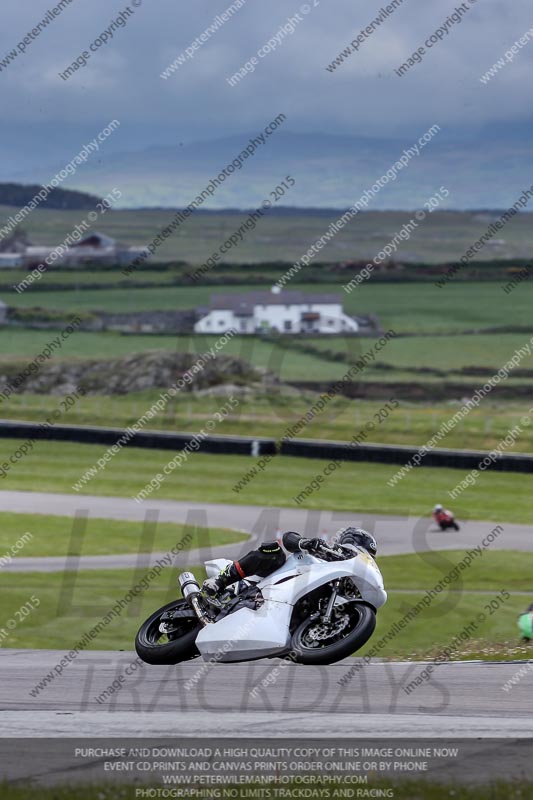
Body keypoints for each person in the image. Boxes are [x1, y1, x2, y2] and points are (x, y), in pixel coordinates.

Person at [202, 527, 378, 599]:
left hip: (291, 602)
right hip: (271, 581)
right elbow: (288, 537)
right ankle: (221, 580)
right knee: (274, 552)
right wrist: (306, 543)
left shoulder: (350, 588)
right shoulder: (325, 551)